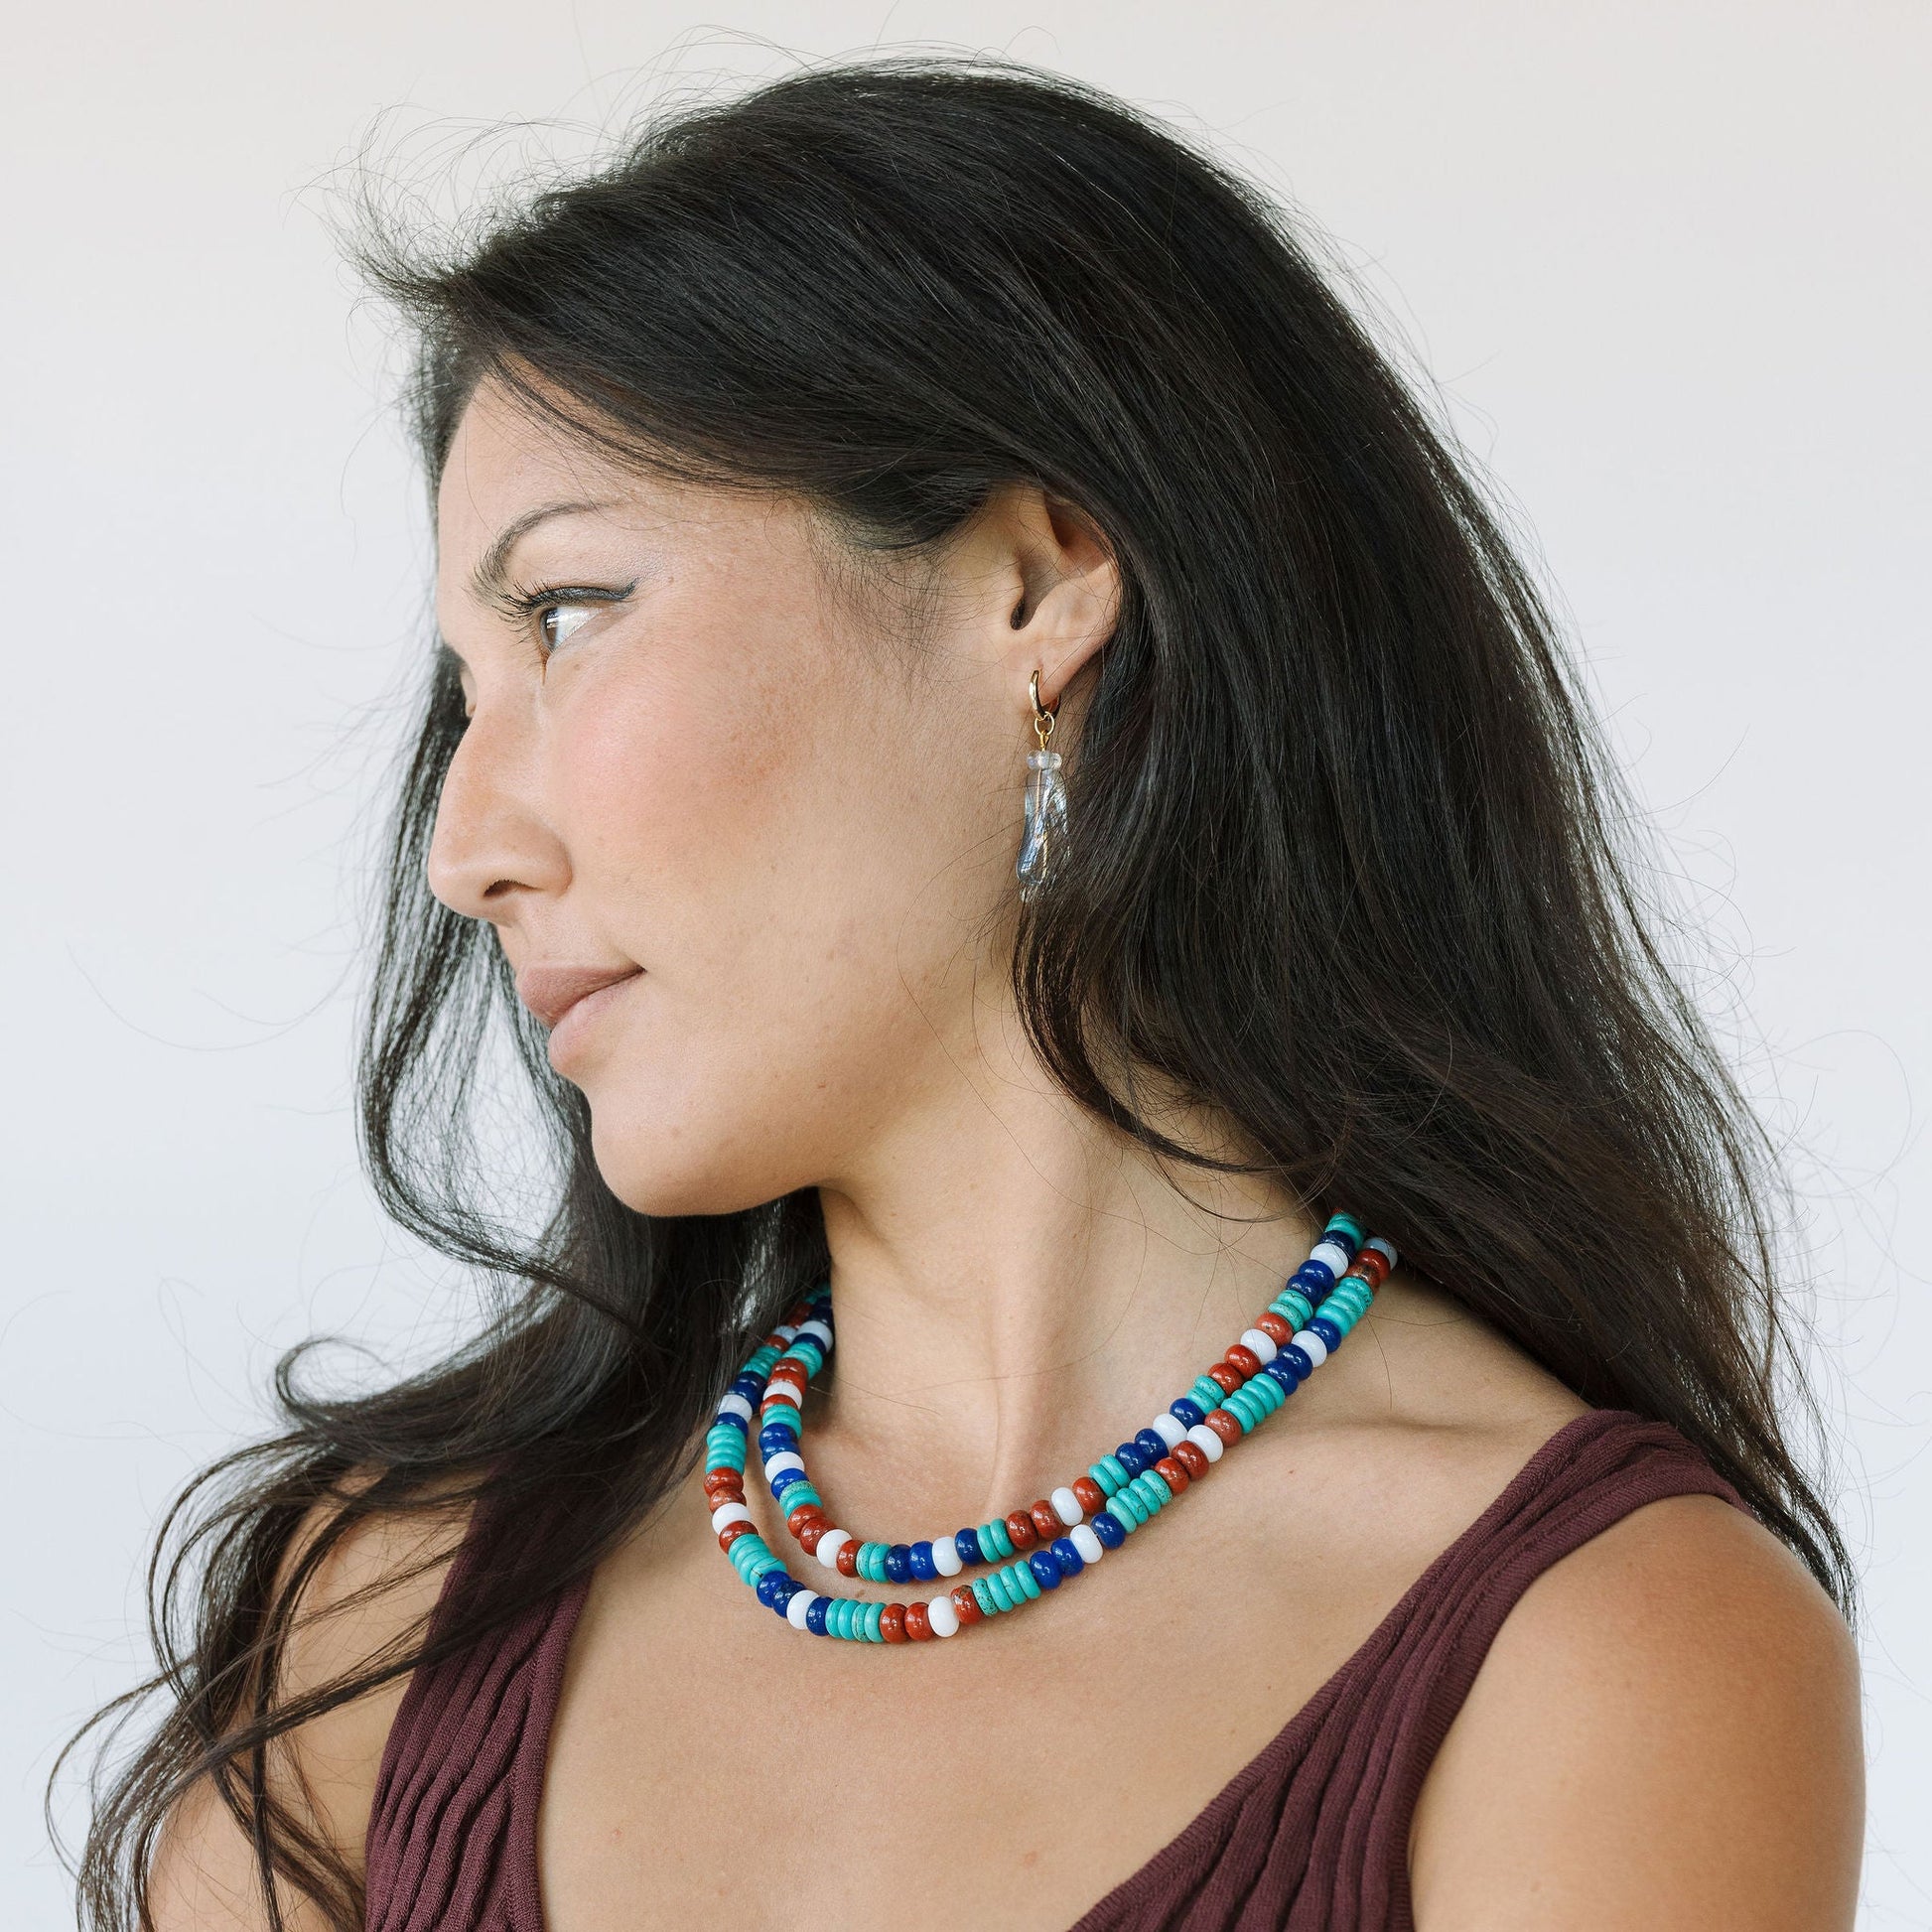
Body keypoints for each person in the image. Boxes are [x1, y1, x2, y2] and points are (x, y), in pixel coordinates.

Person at [72, 55, 1863, 1932]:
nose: (465, 847)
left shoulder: (1596, 1646)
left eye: (568, 614)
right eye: (464, 687)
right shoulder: (379, 1623)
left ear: (1033, 582)